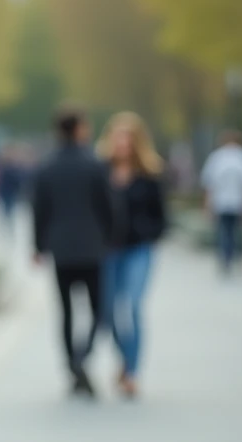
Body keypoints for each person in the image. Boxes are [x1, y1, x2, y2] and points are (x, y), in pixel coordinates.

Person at [32, 107, 115, 397]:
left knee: (66, 311)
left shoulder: (47, 166)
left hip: (61, 249)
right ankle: (83, 356)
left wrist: (37, 246)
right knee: (98, 310)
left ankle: (71, 364)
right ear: (79, 129)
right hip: (93, 248)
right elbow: (108, 206)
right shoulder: (95, 164)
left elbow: (39, 209)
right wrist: (111, 238)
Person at [97, 112, 167, 399]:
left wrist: (145, 233)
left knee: (134, 306)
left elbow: (161, 218)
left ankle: (133, 372)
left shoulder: (150, 174)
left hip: (139, 250)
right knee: (109, 312)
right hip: (108, 251)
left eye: (128, 139)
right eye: (118, 139)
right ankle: (125, 360)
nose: (122, 145)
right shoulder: (100, 172)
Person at [200, 130, 242, 275]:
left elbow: (209, 185)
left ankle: (226, 259)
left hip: (221, 203)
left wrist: (206, 206)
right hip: (240, 203)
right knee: (237, 232)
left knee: (224, 232)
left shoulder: (216, 158)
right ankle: (236, 258)